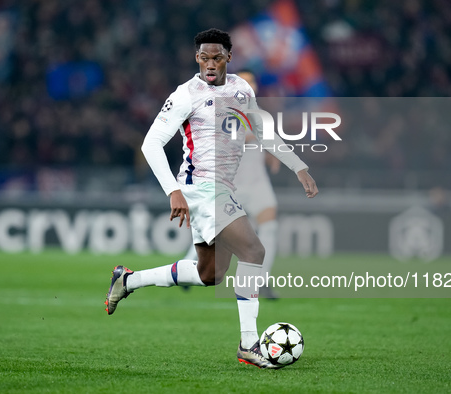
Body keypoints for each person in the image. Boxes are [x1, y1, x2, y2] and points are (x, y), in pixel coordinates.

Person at [105, 28, 318, 369]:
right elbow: (150, 144)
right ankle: (249, 345)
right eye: (203, 57)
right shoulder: (185, 94)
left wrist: (298, 166)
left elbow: (261, 131)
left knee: (211, 274)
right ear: (196, 59)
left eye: (216, 57)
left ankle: (128, 280)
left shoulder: (241, 89)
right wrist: (173, 191)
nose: (209, 63)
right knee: (254, 251)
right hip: (201, 187)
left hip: (220, 188)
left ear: (229, 58)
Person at [182, 70, 282, 299]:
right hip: (231, 183)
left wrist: (272, 156)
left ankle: (261, 279)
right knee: (214, 233)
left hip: (257, 183)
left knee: (269, 224)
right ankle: (189, 265)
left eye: (252, 81)